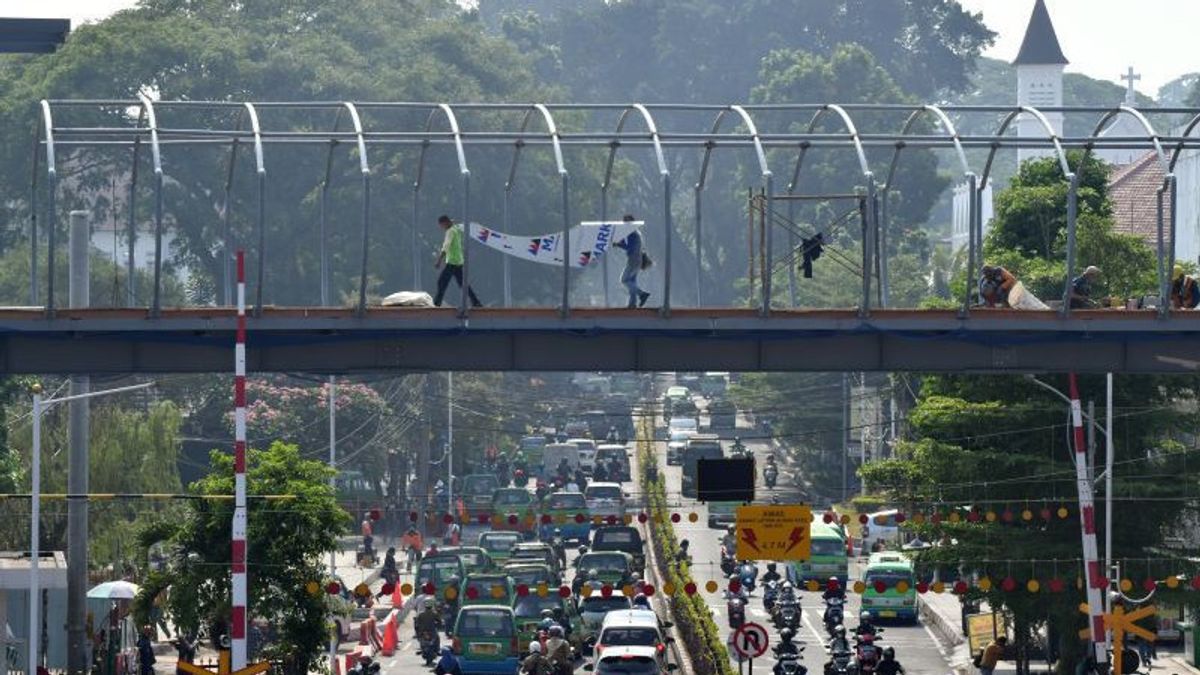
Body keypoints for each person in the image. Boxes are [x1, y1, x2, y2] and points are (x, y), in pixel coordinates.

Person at [433, 215, 483, 308]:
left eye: (442, 226)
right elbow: (453, 223)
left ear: (445, 223)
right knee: (463, 285)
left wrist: (439, 260)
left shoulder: (450, 231)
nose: (442, 228)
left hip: (452, 262)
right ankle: (476, 302)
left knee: (441, 282)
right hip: (458, 262)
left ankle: (437, 303)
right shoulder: (456, 229)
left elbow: (446, 246)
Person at [614, 215, 651, 308]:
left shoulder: (632, 233)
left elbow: (629, 246)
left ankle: (642, 294)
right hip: (637, 260)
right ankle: (632, 303)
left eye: (626, 222)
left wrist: (618, 244)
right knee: (631, 282)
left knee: (624, 280)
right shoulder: (636, 233)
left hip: (633, 261)